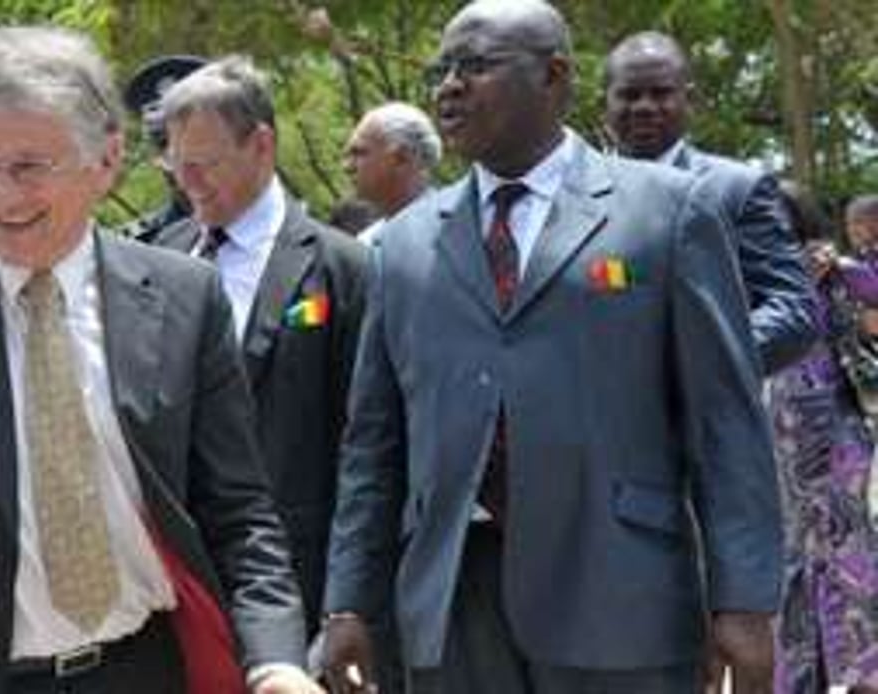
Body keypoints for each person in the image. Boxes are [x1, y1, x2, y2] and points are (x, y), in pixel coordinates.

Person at [0, 27, 317, 694]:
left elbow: (239, 512)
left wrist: (276, 660)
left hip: (142, 670)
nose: (1, 197)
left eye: (30, 168)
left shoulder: (184, 300)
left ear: (106, 159)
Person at [321, 2, 782, 693]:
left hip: (619, 598)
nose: (449, 85)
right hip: (452, 604)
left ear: (555, 75)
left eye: (474, 66)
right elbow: (373, 443)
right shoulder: (406, 244)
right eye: (442, 70)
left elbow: (724, 421)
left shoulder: (667, 212)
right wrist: (348, 599)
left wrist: (744, 603)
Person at [155, 56, 369, 633]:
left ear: (262, 146)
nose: (188, 182)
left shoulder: (341, 268)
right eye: (177, 165)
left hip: (301, 578)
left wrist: (351, 601)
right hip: (180, 583)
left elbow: (367, 445)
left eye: (204, 163)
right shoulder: (161, 260)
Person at [603, 30, 816, 375]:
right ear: (606, 102)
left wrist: (691, 365)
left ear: (690, 100)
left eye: (660, 93)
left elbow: (793, 310)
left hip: (702, 418)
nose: (643, 106)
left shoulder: (737, 189)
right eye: (628, 94)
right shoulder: (569, 192)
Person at [768, 184, 878, 694]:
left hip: (832, 430)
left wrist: (843, 273)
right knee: (794, 552)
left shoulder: (830, 266)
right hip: (777, 434)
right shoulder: (748, 270)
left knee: (845, 545)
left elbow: (873, 294)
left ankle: (861, 672)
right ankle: (802, 673)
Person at [121, 55, 206, 242]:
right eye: (163, 143)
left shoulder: (273, 224)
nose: (176, 154)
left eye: (194, 139)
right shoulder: (142, 246)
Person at [343, 102, 442, 245]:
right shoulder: (366, 242)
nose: (347, 167)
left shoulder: (457, 227)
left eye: (359, 153)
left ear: (402, 158)